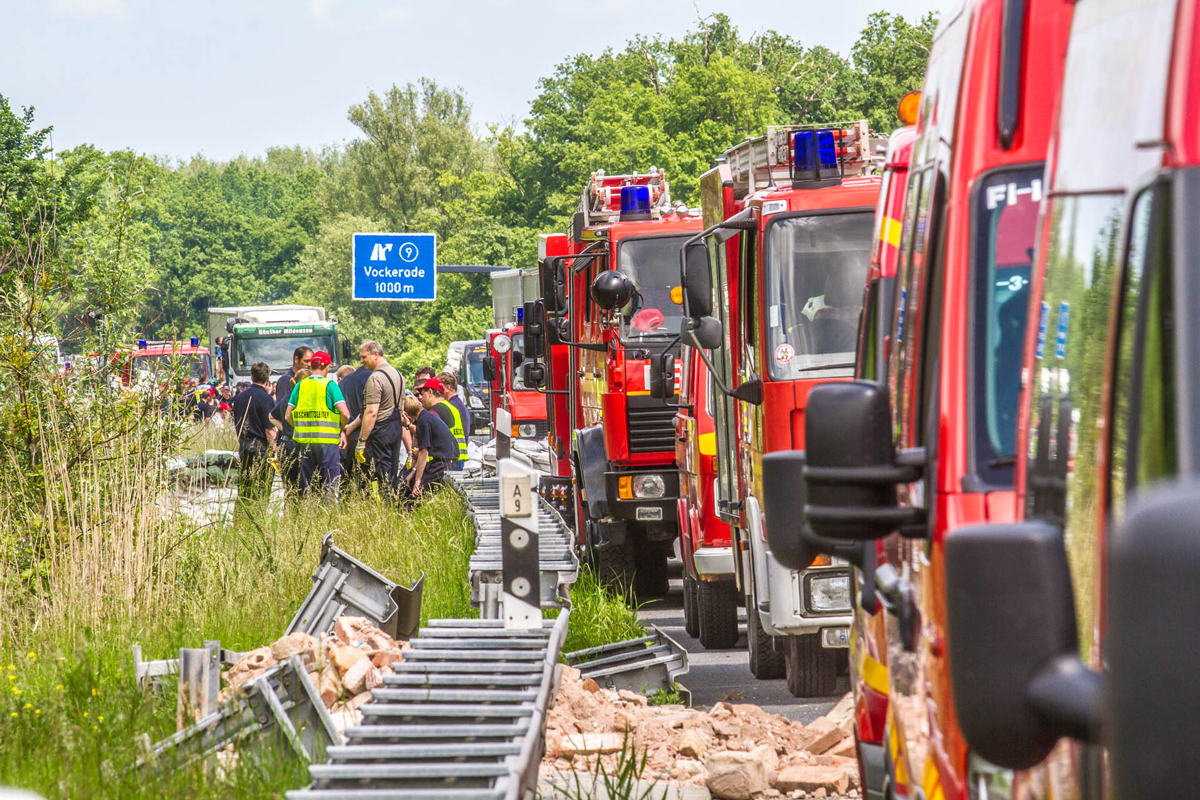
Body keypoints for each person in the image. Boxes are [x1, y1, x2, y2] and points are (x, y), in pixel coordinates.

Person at [343, 341, 405, 496]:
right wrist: (352, 426)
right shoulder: (397, 374)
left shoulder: (375, 378)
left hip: (381, 431)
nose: (361, 361)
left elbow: (371, 412)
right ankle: (391, 504)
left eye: (364, 357)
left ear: (376, 354)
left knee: (380, 475)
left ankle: (384, 509)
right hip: (396, 427)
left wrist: (362, 441)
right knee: (391, 472)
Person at [285, 352, 350, 496]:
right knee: (330, 486)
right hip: (327, 443)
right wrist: (339, 429)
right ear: (326, 367)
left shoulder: (300, 385)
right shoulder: (330, 385)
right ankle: (329, 515)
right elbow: (345, 414)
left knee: (307, 487)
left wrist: (300, 427)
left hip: (305, 443)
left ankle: (308, 515)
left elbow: (288, 415)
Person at [232, 361, 277, 508]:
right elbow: (269, 430)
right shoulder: (267, 399)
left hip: (244, 445)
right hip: (262, 448)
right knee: (262, 486)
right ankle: (259, 514)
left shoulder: (240, 397)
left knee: (244, 486)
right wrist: (276, 451)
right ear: (267, 379)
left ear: (251, 377)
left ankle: (242, 516)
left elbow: (237, 423)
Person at [399, 394, 457, 507]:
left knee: (415, 495)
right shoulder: (428, 416)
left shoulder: (424, 422)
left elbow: (423, 452)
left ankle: (407, 515)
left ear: (406, 415)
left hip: (443, 463)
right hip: (445, 460)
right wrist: (413, 472)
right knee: (409, 484)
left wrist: (417, 481)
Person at [273, 346, 313, 495]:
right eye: (306, 361)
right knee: (294, 489)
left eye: (311, 361)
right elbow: (282, 412)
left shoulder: (310, 378)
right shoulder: (286, 381)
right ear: (296, 359)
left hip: (304, 439)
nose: (309, 364)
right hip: (291, 440)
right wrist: (291, 429)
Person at [335, 356, 373, 491]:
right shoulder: (375, 377)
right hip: (371, 434)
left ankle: (347, 507)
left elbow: (340, 411)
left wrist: (342, 432)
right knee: (370, 477)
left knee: (348, 477)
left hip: (349, 435)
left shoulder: (344, 382)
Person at [416, 376, 467, 470]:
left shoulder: (434, 411)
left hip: (442, 462)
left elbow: (428, 436)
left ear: (430, 392)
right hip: (458, 459)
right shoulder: (452, 407)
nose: (420, 398)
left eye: (423, 394)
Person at [438, 371, 472, 441]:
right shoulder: (459, 404)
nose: (437, 391)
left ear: (447, 388)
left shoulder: (450, 406)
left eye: (439, 388)